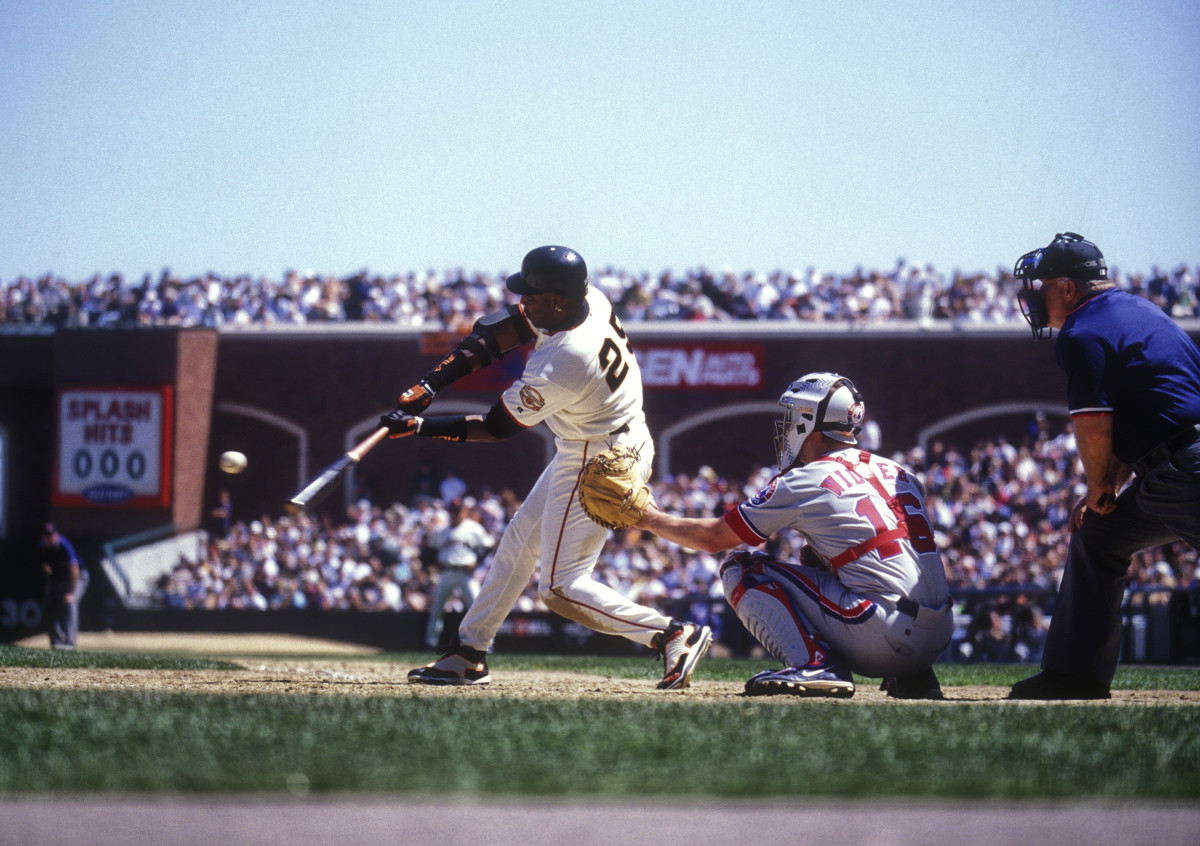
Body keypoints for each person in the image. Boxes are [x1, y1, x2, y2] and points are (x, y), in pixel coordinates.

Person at [378, 245, 712, 688]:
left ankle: (671, 634)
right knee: (519, 541)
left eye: (533, 296)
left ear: (557, 299)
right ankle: (469, 651)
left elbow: (496, 428)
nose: (524, 302)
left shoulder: (565, 359)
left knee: (559, 587)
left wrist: (419, 426)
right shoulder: (588, 300)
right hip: (601, 438)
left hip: (601, 456)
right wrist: (432, 383)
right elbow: (502, 330)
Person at [633, 372, 954, 698]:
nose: (786, 427)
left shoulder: (805, 479)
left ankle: (816, 664)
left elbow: (716, 538)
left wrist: (647, 518)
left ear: (808, 418)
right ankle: (914, 676)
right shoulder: (901, 473)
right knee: (816, 559)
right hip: (939, 634)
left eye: (791, 416)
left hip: (881, 633)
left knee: (741, 567)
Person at [1009, 232, 1200, 699]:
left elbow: (1095, 426)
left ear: (1068, 288)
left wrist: (1096, 483)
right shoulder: (1143, 311)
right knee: (1100, 534)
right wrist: (1106, 487)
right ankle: (1074, 674)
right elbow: (1141, 414)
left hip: (1186, 469)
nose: (1035, 296)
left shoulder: (1082, 331)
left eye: (1043, 285)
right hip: (1170, 467)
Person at [423, 499, 494, 650]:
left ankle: (486, 646)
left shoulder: (473, 528)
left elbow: (488, 546)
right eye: (453, 511)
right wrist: (435, 565)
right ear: (449, 512)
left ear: (465, 511)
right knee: (436, 609)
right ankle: (430, 643)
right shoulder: (441, 530)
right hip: (447, 572)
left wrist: (477, 562)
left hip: (465, 573)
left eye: (458, 510)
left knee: (477, 608)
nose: (455, 514)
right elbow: (429, 549)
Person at [40, 523, 89, 649]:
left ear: (56, 535)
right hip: (60, 578)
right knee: (50, 606)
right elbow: (46, 567)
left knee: (70, 603)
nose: (49, 538)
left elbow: (74, 569)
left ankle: (70, 643)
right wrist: (49, 587)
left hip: (77, 577)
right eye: (46, 536)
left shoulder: (63, 545)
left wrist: (72, 593)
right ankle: (56, 643)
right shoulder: (43, 546)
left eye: (51, 535)